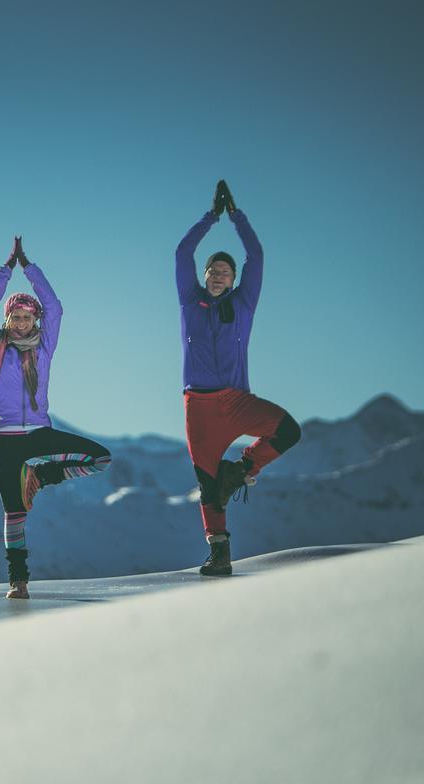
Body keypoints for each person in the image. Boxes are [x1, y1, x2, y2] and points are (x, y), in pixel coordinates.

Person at [175, 180, 301, 575]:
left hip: (234, 400)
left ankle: (242, 470)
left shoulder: (244, 304)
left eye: (225, 272)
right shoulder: (189, 301)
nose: (218, 276)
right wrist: (210, 218)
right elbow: (182, 252)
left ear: (233, 279)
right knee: (208, 485)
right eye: (213, 271)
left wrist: (236, 217)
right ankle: (220, 554)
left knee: (288, 431)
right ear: (205, 275)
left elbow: (257, 255)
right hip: (198, 405)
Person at [0, 236, 112, 598]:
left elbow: (55, 305)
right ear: (7, 319)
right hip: (3, 438)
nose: (20, 323)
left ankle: (42, 474)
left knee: (101, 458)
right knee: (13, 513)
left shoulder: (45, 346)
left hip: (38, 432)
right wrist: (5, 270)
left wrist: (30, 269)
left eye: (26, 317)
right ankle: (18, 581)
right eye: (14, 317)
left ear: (34, 320)